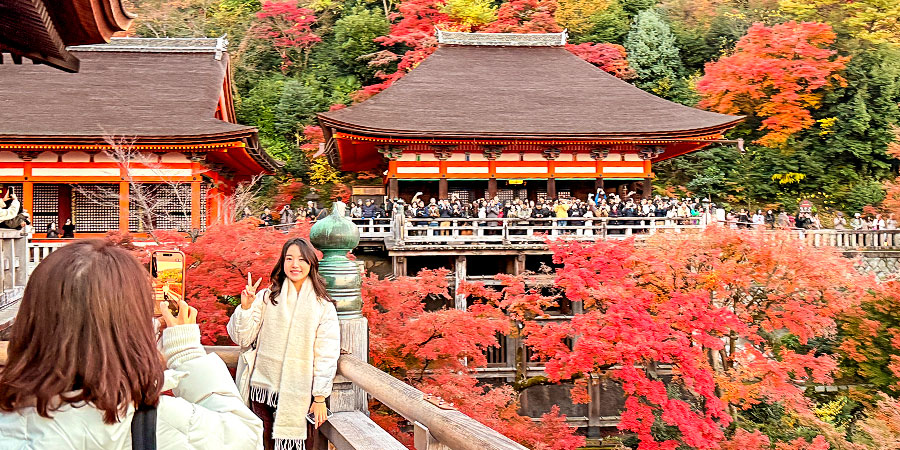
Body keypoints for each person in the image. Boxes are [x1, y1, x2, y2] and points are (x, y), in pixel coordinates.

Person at [0, 239, 264, 449]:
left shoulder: (9, 420)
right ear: (132, 323)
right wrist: (186, 350)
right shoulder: (159, 420)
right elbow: (245, 437)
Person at [227, 238, 340, 450]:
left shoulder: (322, 306)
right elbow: (242, 339)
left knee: (299, 445)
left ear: (311, 264)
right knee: (262, 444)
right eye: (289, 258)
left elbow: (326, 353)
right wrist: (245, 308)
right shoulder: (267, 297)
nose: (295, 265)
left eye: (301, 259)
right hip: (262, 388)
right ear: (282, 262)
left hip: (300, 392)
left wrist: (319, 397)